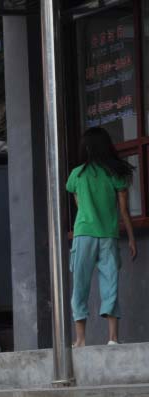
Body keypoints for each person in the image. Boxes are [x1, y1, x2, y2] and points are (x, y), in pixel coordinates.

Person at [66, 127, 138, 346]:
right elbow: (124, 211)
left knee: (80, 285)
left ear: (86, 148)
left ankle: (80, 340)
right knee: (110, 285)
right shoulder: (115, 174)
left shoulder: (77, 174)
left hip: (84, 234)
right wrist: (132, 238)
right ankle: (113, 338)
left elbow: (80, 207)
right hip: (108, 236)